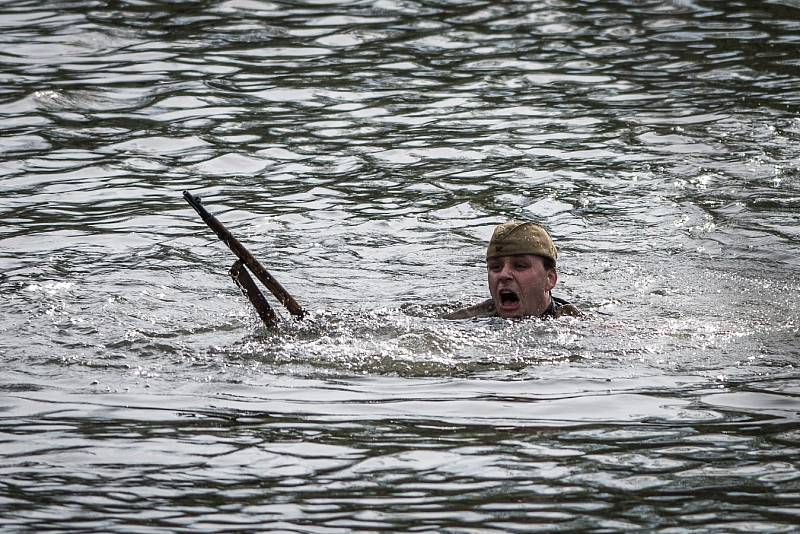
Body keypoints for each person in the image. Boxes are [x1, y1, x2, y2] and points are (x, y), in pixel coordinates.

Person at [443, 220, 580, 320]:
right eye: (496, 267)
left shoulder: (575, 325)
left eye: (520, 266)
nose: (503, 275)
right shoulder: (465, 321)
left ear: (550, 279)